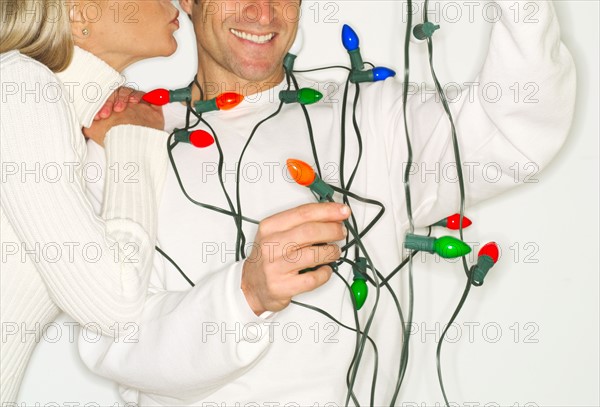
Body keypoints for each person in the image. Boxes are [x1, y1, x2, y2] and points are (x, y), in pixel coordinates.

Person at [80, 0, 576, 405]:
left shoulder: (375, 116)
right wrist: (246, 293)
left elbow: (516, 129)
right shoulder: (127, 133)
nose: (262, 12)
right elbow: (114, 342)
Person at [0, 0, 180, 402]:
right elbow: (115, 306)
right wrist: (132, 137)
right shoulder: (21, 89)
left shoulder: (59, 111)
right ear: (79, 12)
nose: (172, 4)